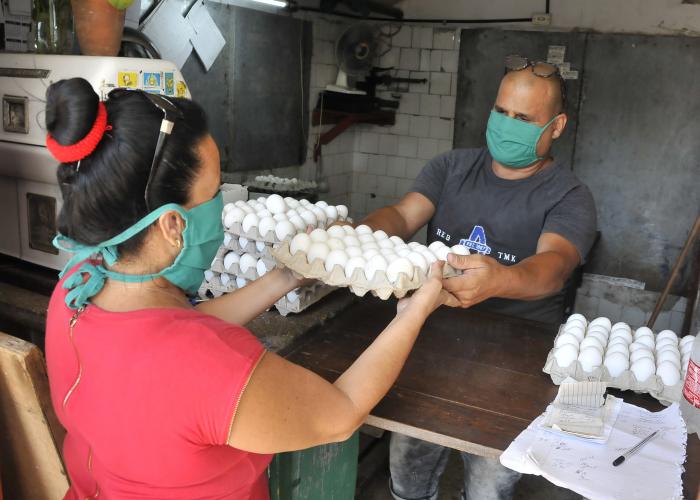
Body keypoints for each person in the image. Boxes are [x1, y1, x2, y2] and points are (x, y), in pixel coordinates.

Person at [43, 78, 454, 499]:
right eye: (214, 191)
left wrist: (286, 277)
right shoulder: (207, 365)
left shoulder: (76, 288)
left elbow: (171, 333)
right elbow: (342, 414)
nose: (222, 203)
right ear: (171, 225)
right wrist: (414, 311)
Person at [349, 57, 598, 500]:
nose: (507, 125)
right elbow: (404, 214)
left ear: (556, 127)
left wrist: (500, 279)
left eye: (524, 118)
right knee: (408, 476)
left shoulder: (568, 194)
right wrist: (355, 235)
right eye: (501, 112)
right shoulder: (451, 168)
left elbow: (554, 267)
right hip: (428, 347)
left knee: (489, 487)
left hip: (512, 368)